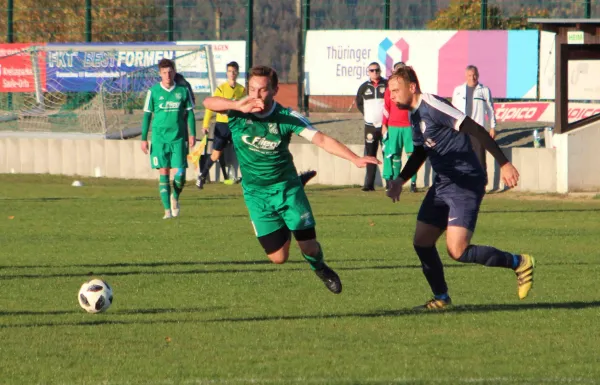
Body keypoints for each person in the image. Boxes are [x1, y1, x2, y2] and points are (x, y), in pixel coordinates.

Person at [203, 65, 380, 294]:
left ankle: (320, 268)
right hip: (256, 193)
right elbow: (208, 102)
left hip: (286, 189)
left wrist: (355, 158)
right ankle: (291, 207)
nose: (256, 95)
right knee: (278, 258)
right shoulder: (237, 112)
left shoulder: (286, 117)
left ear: (275, 90)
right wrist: (236, 104)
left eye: (263, 90)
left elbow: (321, 140)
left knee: (309, 247)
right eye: (253, 89)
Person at [386, 66, 534, 310]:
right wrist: (400, 180)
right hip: (443, 183)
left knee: (457, 250)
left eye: (395, 90)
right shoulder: (413, 116)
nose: (391, 95)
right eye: (389, 91)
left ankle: (520, 262)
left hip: (465, 182)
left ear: (411, 87)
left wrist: (504, 163)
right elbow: (422, 151)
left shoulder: (432, 104)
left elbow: (475, 129)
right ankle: (441, 298)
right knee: (422, 241)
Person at [141, 58, 196, 219]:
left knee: (181, 174)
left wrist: (192, 134)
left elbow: (191, 114)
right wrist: (144, 139)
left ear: (174, 72)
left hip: (178, 138)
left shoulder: (182, 91)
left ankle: (175, 197)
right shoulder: (153, 92)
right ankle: (167, 211)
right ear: (160, 74)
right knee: (163, 171)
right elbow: (146, 116)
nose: (168, 75)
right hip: (159, 139)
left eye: (170, 71)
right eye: (164, 72)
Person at [197, 61, 245, 188]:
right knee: (216, 154)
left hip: (236, 125)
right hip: (222, 125)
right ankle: (202, 176)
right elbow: (210, 107)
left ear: (237, 73)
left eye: (234, 71)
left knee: (244, 151)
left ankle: (247, 178)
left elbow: (245, 107)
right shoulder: (221, 88)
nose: (232, 74)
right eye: (230, 71)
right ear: (226, 73)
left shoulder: (242, 90)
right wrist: (205, 124)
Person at [451, 65, 497, 178]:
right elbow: (452, 110)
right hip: (461, 129)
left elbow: (490, 110)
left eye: (475, 75)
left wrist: (492, 127)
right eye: (470, 75)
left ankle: (482, 183)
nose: (473, 78)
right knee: (461, 157)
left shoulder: (484, 90)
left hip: (478, 129)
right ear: (466, 76)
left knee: (480, 158)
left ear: (478, 75)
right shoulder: (458, 90)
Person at [382, 62, 417, 193]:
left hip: (408, 126)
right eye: (397, 71)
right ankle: (396, 182)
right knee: (395, 155)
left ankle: (413, 183)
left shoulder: (410, 88)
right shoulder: (389, 89)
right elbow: (386, 107)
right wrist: (384, 124)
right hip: (393, 126)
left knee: (412, 155)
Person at [356, 62, 387, 191]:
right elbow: (359, 103)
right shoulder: (363, 87)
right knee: (370, 154)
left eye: (377, 70)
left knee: (388, 154)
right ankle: (369, 184)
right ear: (368, 72)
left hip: (385, 126)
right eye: (372, 70)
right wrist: (367, 115)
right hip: (370, 127)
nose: (375, 73)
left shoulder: (387, 85)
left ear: (380, 71)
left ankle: (390, 183)